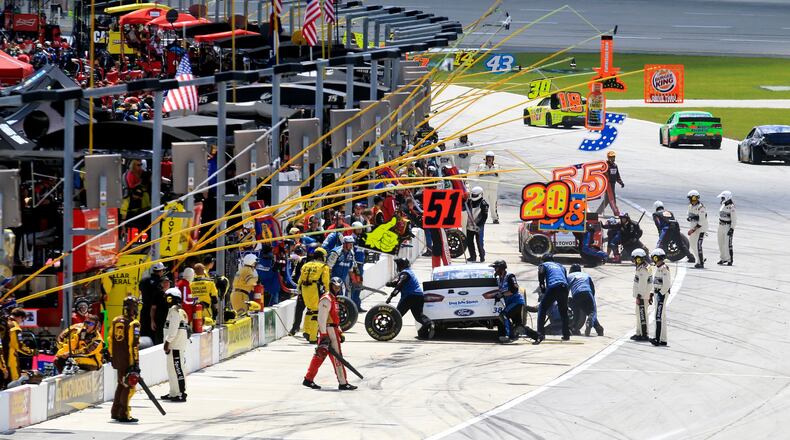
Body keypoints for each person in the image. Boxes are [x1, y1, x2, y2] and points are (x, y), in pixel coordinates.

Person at [302, 277, 358, 391]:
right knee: (337, 357)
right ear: (330, 285)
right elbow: (321, 319)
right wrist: (324, 335)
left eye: (338, 287)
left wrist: (340, 331)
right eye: (334, 286)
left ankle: (308, 379)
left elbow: (334, 318)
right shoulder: (326, 299)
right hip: (328, 331)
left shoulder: (333, 298)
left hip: (332, 330)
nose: (336, 289)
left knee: (319, 356)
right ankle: (343, 383)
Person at [490, 260, 539, 343]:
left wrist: (502, 295)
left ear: (501, 268)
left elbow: (514, 289)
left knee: (503, 315)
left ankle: (509, 336)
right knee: (518, 326)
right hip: (510, 304)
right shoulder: (499, 279)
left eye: (496, 268)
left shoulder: (510, 276)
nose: (495, 270)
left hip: (516, 302)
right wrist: (497, 296)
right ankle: (538, 336)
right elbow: (502, 291)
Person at [109, 297, 141, 423]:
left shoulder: (115, 320)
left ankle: (115, 411)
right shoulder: (134, 324)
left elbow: (110, 340)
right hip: (128, 360)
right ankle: (124, 413)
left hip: (117, 359)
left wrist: (112, 357)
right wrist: (135, 363)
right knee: (129, 386)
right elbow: (133, 345)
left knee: (121, 384)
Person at [386, 258, 432, 339]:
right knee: (419, 316)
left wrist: (390, 297)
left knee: (397, 315)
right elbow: (397, 283)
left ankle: (386, 331)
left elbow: (399, 285)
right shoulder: (409, 272)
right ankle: (429, 324)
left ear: (400, 265)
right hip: (419, 296)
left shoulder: (405, 273)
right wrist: (389, 284)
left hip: (410, 296)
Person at [535, 254, 570, 344]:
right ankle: (566, 335)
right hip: (564, 287)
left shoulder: (543, 265)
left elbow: (541, 282)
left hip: (554, 287)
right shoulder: (561, 266)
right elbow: (565, 280)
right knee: (563, 311)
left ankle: (540, 334)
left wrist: (543, 292)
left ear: (543, 260)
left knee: (542, 308)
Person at [161, 289, 189, 402]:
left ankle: (181, 393)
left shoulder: (175, 311)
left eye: (168, 297)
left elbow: (173, 329)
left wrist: (167, 342)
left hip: (175, 345)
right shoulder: (178, 310)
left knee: (177, 369)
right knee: (171, 369)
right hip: (174, 345)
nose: (166, 300)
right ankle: (173, 392)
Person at [298, 247, 330, 343]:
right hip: (315, 289)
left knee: (309, 310)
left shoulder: (306, 265)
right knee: (316, 311)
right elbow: (326, 281)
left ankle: (306, 331)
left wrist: (299, 290)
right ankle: (313, 337)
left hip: (304, 288)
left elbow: (300, 280)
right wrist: (328, 292)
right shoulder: (324, 267)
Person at [566, 264, 603, 336]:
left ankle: (573, 327)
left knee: (577, 311)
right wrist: (591, 301)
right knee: (591, 312)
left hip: (577, 295)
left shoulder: (569, 276)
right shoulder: (586, 275)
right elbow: (592, 289)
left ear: (570, 270)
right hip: (587, 293)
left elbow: (565, 289)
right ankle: (596, 327)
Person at [649, 248, 672, 346]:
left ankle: (657, 339)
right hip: (657, 293)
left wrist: (660, 294)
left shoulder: (664, 269)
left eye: (655, 258)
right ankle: (663, 339)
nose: (654, 260)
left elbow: (667, 284)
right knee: (661, 316)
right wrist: (651, 293)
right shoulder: (658, 269)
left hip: (661, 294)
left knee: (658, 316)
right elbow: (655, 283)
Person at [6, 309, 35, 380]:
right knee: (14, 382)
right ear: (20, 317)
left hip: (2, 360)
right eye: (22, 320)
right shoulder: (15, 327)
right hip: (9, 358)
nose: (21, 322)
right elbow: (18, 346)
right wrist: (32, 352)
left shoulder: (4, 322)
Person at [139, 262, 165, 342]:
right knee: (154, 336)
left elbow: (140, 290)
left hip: (144, 310)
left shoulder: (143, 280)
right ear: (160, 271)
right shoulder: (160, 282)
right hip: (155, 312)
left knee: (143, 333)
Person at [630, 249, 652, 342]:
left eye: (635, 259)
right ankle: (639, 333)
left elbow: (642, 284)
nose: (634, 260)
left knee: (642, 315)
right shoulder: (642, 266)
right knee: (638, 314)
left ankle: (644, 334)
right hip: (641, 295)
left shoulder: (643, 269)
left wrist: (639, 296)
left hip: (642, 295)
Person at [596, 150, 624, 216]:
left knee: (607, 200)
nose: (612, 159)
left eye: (613, 157)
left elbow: (617, 175)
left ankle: (597, 212)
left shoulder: (615, 166)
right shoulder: (606, 165)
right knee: (612, 198)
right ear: (608, 157)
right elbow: (601, 174)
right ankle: (616, 213)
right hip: (607, 185)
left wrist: (621, 182)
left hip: (613, 184)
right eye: (611, 157)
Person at [475, 151, 500, 223]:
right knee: (483, 204)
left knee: (493, 204)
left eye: (491, 158)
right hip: (484, 188)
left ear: (493, 159)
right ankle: (481, 218)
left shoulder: (496, 166)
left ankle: (495, 218)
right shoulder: (481, 166)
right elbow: (477, 175)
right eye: (488, 158)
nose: (489, 160)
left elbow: (499, 176)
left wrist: (492, 170)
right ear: (486, 158)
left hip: (493, 188)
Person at [231, 254, 259, 318]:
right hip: (240, 295)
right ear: (252, 262)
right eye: (255, 262)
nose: (256, 264)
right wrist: (256, 279)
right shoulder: (248, 270)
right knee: (242, 317)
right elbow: (249, 281)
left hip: (238, 294)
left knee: (241, 316)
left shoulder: (243, 269)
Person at [686, 190, 709, 269]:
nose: (690, 200)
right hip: (693, 228)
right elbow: (688, 215)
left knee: (698, 245)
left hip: (700, 229)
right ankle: (701, 258)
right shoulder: (690, 206)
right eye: (690, 199)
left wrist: (693, 230)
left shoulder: (701, 208)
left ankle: (701, 263)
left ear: (695, 198)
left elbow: (701, 221)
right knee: (692, 244)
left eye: (691, 198)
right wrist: (690, 218)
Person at [466, 186, 489, 262]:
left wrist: (479, 225)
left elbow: (485, 217)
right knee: (469, 241)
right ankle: (472, 256)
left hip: (479, 226)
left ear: (480, 194)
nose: (474, 197)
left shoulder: (483, 204)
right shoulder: (469, 202)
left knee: (479, 242)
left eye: (475, 195)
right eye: (473, 195)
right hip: (469, 226)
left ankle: (482, 256)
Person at [717, 191, 736, 266]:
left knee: (727, 244)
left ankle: (729, 260)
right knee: (720, 243)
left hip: (727, 226)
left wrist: (732, 228)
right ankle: (723, 258)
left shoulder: (731, 207)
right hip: (720, 225)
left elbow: (734, 219)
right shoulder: (723, 204)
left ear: (727, 197)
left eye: (723, 197)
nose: (721, 199)